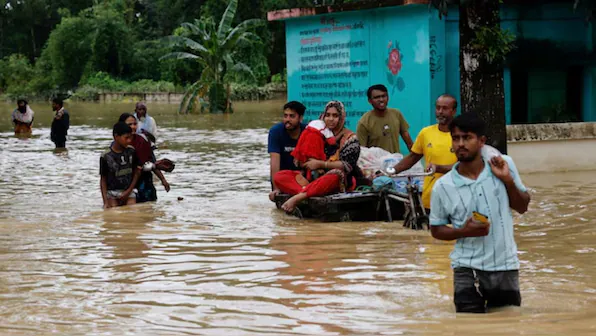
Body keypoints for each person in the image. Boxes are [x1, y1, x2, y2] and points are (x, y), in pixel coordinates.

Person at [429, 113, 531, 313]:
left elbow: (522, 206)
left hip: (505, 265)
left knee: (507, 324)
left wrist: (507, 180)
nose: (460, 144)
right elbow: (436, 230)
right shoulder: (443, 186)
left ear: (481, 141)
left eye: (467, 138)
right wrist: (463, 231)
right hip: (466, 268)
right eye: (456, 138)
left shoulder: (504, 165)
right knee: (468, 326)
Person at [274, 100, 361, 213]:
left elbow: (347, 166)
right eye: (327, 115)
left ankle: (299, 197)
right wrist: (303, 162)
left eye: (335, 116)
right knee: (279, 176)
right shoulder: (316, 133)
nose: (330, 119)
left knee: (335, 175)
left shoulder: (351, 138)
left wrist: (320, 164)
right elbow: (301, 159)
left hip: (338, 181)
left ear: (341, 118)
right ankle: (309, 191)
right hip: (312, 180)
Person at [392, 94, 458, 213]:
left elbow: (464, 167)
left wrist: (438, 168)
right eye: (438, 108)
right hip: (430, 199)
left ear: (453, 111)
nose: (440, 112)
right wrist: (391, 171)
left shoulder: (461, 136)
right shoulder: (426, 133)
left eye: (444, 108)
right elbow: (412, 158)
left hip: (456, 200)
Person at [119, 113, 170, 203]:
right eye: (129, 124)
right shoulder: (118, 144)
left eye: (135, 124)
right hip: (126, 184)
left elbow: (151, 161)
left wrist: (163, 180)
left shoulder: (142, 140)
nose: (133, 127)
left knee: (148, 210)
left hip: (145, 183)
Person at [356, 84, 413, 153]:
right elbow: (362, 151)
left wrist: (416, 160)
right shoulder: (364, 122)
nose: (381, 100)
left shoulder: (396, 114)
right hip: (376, 163)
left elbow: (408, 141)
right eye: (377, 97)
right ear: (370, 101)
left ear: (388, 97)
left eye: (383, 96)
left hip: (396, 162)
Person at [268, 101, 307, 201]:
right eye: (285, 116)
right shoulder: (275, 132)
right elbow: (274, 162)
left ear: (300, 118)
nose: (287, 120)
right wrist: (276, 188)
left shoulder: (307, 131)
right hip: (283, 179)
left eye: (292, 116)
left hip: (302, 177)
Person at [100, 122, 143, 208]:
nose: (129, 141)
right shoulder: (106, 156)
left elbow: (137, 172)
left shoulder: (131, 151)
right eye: (126, 138)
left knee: (133, 213)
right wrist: (105, 202)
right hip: (112, 193)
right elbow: (103, 180)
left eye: (130, 138)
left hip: (129, 191)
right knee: (114, 214)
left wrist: (128, 191)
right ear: (116, 137)